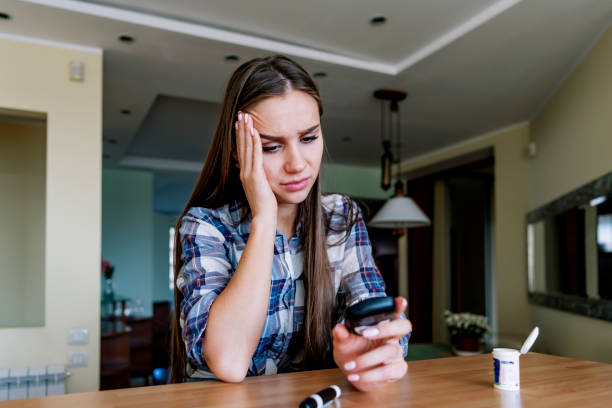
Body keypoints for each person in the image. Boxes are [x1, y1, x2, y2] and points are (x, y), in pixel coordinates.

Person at [170, 55, 412, 392]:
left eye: (309, 138)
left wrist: (371, 346)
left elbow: (367, 307)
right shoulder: (205, 226)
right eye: (271, 147)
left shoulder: (341, 216)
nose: (297, 165)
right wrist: (264, 217)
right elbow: (228, 361)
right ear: (238, 151)